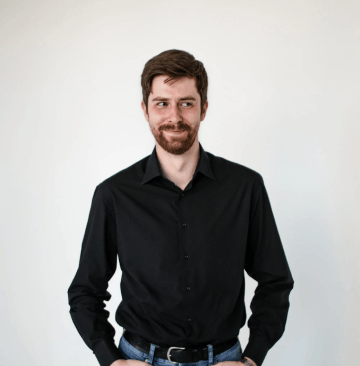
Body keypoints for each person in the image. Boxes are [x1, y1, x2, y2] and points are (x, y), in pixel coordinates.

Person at [67, 49, 294, 366]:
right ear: (146, 110)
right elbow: (84, 292)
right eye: (162, 103)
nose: (174, 116)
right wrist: (111, 360)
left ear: (203, 109)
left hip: (224, 359)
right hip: (139, 359)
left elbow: (275, 282)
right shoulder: (113, 194)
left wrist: (253, 357)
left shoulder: (245, 187)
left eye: (186, 103)